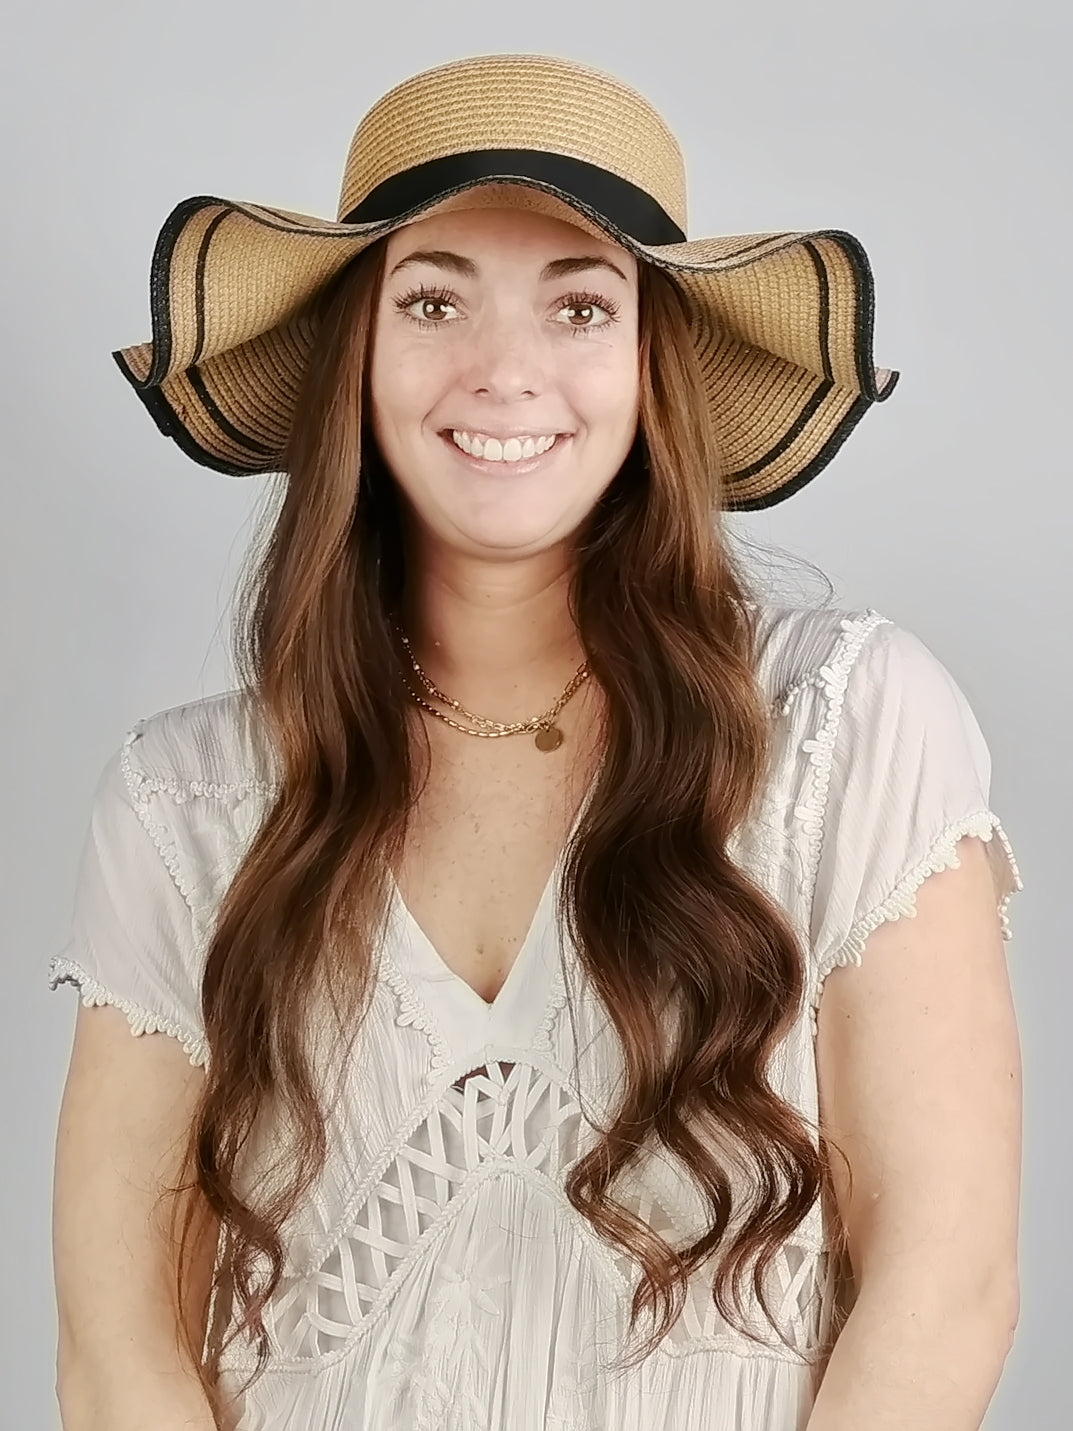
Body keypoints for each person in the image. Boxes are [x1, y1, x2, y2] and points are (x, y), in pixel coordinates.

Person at [48, 52, 1024, 1431]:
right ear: (357, 355)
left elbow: (943, 1289)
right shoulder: (183, 803)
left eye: (579, 305)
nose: (505, 372)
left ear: (648, 364)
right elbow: (119, 1352)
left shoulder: (844, 727)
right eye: (434, 299)